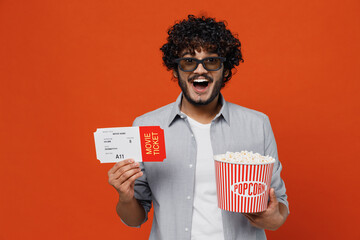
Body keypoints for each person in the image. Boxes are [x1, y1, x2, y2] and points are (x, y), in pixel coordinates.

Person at [108, 15, 289, 240]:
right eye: (188, 61)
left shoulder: (257, 125)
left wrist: (270, 216)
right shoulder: (147, 126)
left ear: (225, 70)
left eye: (211, 61)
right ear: (175, 70)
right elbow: (135, 218)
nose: (200, 70)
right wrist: (125, 197)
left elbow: (278, 210)